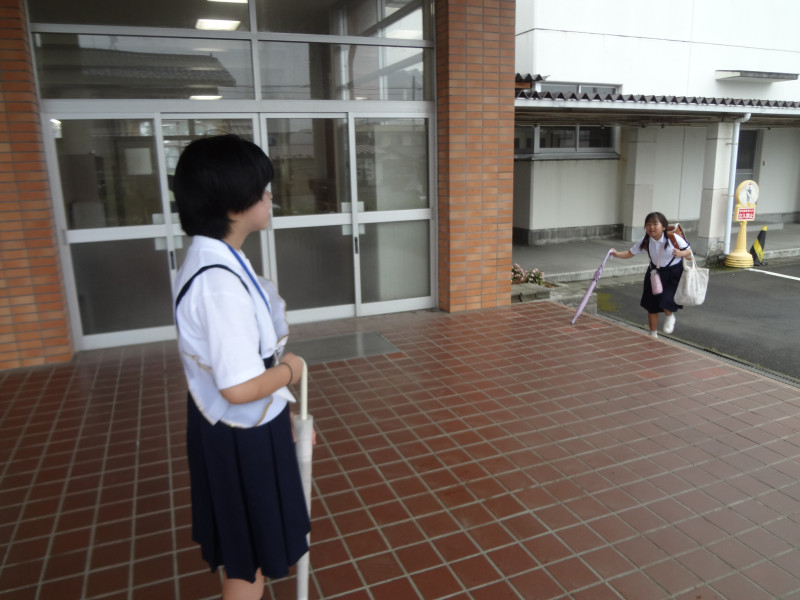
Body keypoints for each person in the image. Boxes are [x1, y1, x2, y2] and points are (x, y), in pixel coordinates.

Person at [172, 134, 310, 600]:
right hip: (239, 432)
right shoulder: (218, 283)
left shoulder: (215, 258)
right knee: (247, 556)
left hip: (237, 424)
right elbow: (239, 386)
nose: (270, 197)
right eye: (263, 189)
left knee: (242, 546)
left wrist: (282, 414)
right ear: (234, 202)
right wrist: (291, 370)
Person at [610, 212, 692, 338]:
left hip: (672, 274)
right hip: (654, 273)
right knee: (651, 304)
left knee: (666, 298)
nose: (651, 227)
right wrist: (616, 254)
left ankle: (670, 316)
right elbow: (630, 253)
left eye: (655, 224)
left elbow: (689, 252)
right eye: (648, 224)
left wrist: (681, 254)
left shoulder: (673, 238)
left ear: (663, 226)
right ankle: (652, 333)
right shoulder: (646, 240)